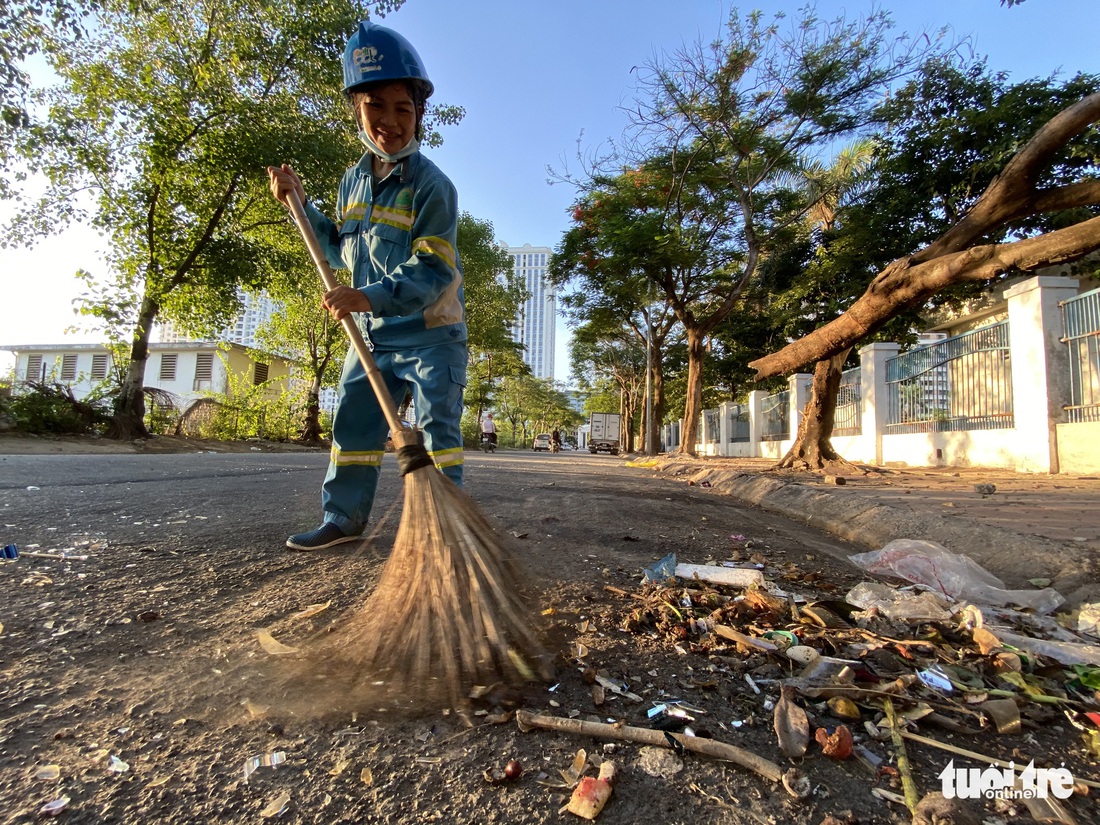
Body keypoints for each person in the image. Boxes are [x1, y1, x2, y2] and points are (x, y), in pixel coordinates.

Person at [268, 21, 466, 551]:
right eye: (376, 106)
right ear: (357, 109)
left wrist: (367, 297)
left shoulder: (434, 187)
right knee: (353, 424)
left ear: (419, 114)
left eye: (403, 109)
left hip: (430, 332)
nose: (390, 122)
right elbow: (335, 246)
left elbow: (432, 271)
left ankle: (450, 530)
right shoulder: (352, 182)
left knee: (437, 436)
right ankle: (343, 518)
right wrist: (300, 204)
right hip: (374, 333)